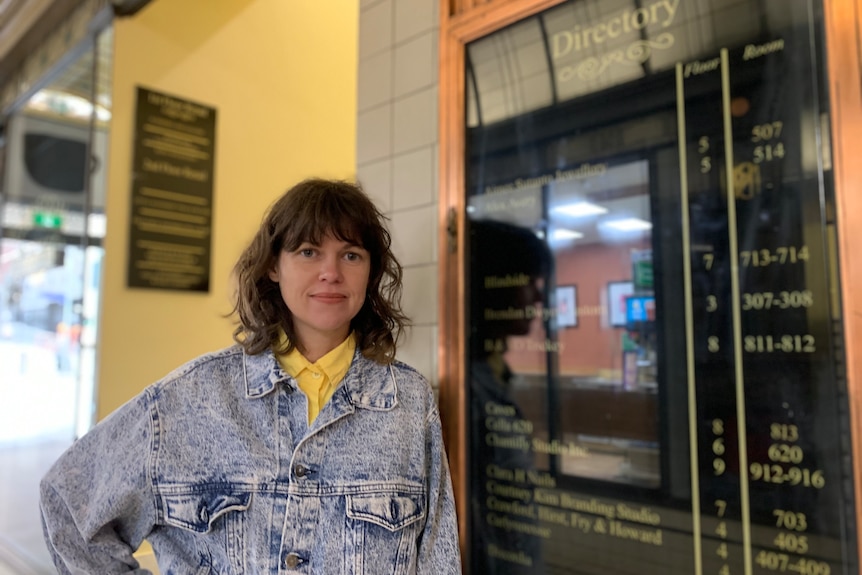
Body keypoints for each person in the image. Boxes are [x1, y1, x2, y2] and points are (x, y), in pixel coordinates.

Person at [39, 178, 462, 575]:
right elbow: (68, 503)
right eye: (308, 252)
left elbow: (439, 558)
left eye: (351, 254)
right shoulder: (191, 399)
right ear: (273, 266)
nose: (331, 272)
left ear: (370, 272)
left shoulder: (408, 401)